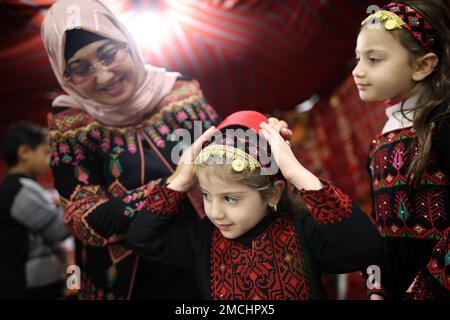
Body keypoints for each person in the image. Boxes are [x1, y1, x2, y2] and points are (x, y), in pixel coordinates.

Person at [41, 0, 291, 299]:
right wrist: (174, 185)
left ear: (128, 43)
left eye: (108, 54)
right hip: (131, 283)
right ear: (62, 74)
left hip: (212, 263)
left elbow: (227, 163)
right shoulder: (70, 126)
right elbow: (87, 222)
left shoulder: (181, 93)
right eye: (80, 69)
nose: (104, 76)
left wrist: (262, 143)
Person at [274, 1, 450, 299]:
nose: (358, 71)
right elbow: (381, 234)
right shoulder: (381, 145)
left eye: (375, 59)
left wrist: (425, 289)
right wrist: (377, 289)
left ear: (423, 66)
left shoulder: (442, 125)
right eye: (357, 59)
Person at [125, 110, 382, 299]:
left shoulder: (301, 231)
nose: (215, 212)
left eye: (230, 198)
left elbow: (365, 250)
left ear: (272, 193)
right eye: (206, 195)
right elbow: (141, 239)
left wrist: (295, 172)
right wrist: (180, 180)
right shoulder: (202, 239)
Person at [0, 121, 70, 299]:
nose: (50, 159)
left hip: (45, 284)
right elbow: (59, 230)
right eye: (46, 152)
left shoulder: (26, 186)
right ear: (24, 152)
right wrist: (70, 201)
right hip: (30, 288)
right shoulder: (18, 189)